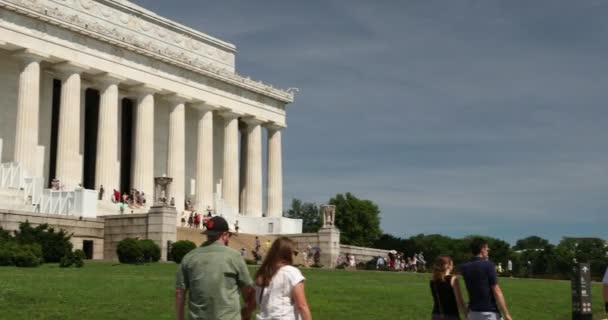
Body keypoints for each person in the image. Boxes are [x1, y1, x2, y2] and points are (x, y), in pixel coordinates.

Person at [175, 216, 256, 320]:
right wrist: (246, 314)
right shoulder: (234, 257)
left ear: (208, 235)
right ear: (225, 235)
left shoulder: (189, 257)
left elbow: (179, 293)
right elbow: (248, 293)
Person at [254, 237, 312, 320]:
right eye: (294, 252)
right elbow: (302, 306)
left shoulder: (262, 272)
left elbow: (255, 302)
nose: (294, 256)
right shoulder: (291, 272)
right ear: (287, 253)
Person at [460, 238, 512, 320]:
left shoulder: (464, 267)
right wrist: (506, 314)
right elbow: (496, 291)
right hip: (489, 312)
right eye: (487, 249)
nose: (488, 251)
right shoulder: (488, 265)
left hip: (473, 312)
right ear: (482, 249)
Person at [430, 255, 467, 320]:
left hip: (436, 314)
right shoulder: (453, 279)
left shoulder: (433, 281)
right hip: (450, 314)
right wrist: (466, 314)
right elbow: (459, 300)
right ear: (448, 265)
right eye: (452, 264)